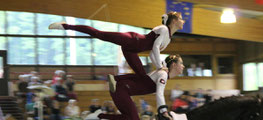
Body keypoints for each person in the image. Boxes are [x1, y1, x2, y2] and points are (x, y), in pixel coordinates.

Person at [49, 12, 184, 76]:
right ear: (173, 21)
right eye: (181, 19)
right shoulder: (164, 29)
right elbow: (154, 47)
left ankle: (117, 81)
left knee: (142, 77)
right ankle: (66, 26)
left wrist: (160, 67)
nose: (183, 21)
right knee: (100, 34)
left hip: (131, 50)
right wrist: (160, 66)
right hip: (132, 39)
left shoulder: (168, 38)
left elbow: (151, 54)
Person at [98, 54, 184, 120]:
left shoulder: (161, 73)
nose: (183, 66)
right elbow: (159, 94)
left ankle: (104, 117)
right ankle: (101, 117)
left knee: (131, 118)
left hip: (122, 90)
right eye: (181, 63)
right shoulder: (163, 74)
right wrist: (164, 113)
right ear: (174, 65)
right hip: (121, 90)